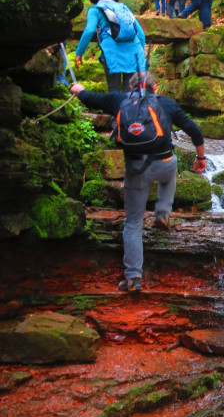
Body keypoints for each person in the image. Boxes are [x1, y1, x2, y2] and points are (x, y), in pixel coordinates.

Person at [69, 71, 207, 293]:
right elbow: (195, 130)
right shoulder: (167, 103)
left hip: (136, 169)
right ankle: (163, 210)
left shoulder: (118, 100)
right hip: (165, 163)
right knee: (170, 171)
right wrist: (200, 158)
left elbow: (90, 98)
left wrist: (79, 89)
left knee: (133, 223)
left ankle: (133, 278)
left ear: (130, 87)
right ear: (155, 88)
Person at [75, 0, 147, 93]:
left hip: (111, 54)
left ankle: (115, 110)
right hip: (134, 52)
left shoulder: (95, 9)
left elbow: (89, 30)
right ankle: (127, 110)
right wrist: (140, 55)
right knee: (130, 91)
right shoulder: (123, 8)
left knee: (114, 90)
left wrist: (79, 52)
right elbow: (141, 34)